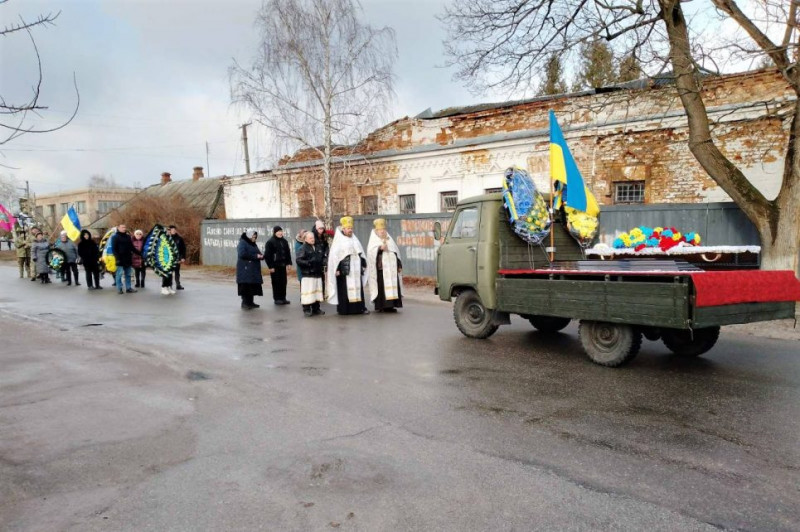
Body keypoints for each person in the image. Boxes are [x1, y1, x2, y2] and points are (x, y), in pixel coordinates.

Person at [327, 216, 369, 315]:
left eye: (351, 228)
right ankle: (345, 309)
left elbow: (360, 253)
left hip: (356, 270)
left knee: (358, 289)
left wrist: (363, 263)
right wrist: (336, 269)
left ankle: (359, 308)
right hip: (344, 271)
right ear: (343, 229)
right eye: (348, 228)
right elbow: (335, 257)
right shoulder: (339, 241)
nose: (350, 230)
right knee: (345, 290)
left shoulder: (355, 239)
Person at [367, 218, 404, 313]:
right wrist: (379, 249)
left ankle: (392, 305)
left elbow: (396, 253)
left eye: (384, 229)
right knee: (382, 288)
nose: (382, 231)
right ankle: (382, 306)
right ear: (376, 231)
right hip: (381, 270)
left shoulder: (389, 239)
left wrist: (399, 265)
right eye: (380, 230)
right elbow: (371, 254)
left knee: (393, 286)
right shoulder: (373, 241)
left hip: (391, 270)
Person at [295, 231, 326, 317]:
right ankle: (307, 309)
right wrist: (309, 263)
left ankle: (316, 308)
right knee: (308, 292)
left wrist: (324, 261)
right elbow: (299, 260)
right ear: (305, 239)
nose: (313, 239)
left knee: (317, 292)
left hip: (317, 273)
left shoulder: (318, 247)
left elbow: (322, 257)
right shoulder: (302, 248)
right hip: (308, 274)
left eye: (313, 238)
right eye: (310, 238)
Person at [237, 229, 264, 309]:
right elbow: (242, 254)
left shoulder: (253, 244)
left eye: (255, 237)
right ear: (248, 236)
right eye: (253, 236)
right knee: (246, 285)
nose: (254, 238)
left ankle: (251, 302)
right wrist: (256, 256)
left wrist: (261, 256)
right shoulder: (243, 243)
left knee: (252, 285)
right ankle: (245, 303)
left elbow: (258, 253)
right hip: (245, 269)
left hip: (253, 269)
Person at [264, 225, 292, 305]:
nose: (280, 233)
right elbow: (267, 255)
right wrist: (270, 266)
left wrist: (289, 263)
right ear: (275, 232)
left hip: (283, 265)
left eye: (281, 231)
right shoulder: (270, 242)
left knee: (283, 282)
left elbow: (287, 253)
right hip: (275, 266)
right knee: (276, 282)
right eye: (278, 231)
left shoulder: (284, 241)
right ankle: (277, 298)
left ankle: (283, 298)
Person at [111, 224, 137, 294]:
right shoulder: (115, 237)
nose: (124, 228)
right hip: (120, 258)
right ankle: (119, 288)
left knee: (128, 274)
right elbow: (114, 249)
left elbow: (131, 247)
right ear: (118, 228)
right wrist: (117, 258)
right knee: (119, 274)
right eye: (122, 227)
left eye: (125, 227)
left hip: (127, 258)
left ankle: (128, 288)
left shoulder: (128, 237)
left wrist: (139, 253)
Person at [168, 225, 186, 290]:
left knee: (177, 272)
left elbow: (183, 249)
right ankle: (169, 285)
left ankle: (178, 284)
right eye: (172, 230)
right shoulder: (167, 238)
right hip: (169, 259)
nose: (173, 231)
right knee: (169, 272)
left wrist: (183, 257)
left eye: (174, 230)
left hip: (177, 258)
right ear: (169, 231)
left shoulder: (179, 239)